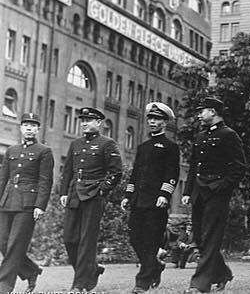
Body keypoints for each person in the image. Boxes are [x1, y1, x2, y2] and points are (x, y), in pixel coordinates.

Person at [182, 97, 246, 294]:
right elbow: (194, 166)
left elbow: (239, 167)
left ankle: (199, 285)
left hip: (217, 195)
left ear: (213, 112)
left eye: (202, 111)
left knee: (210, 238)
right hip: (199, 193)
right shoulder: (201, 136)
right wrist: (187, 191)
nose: (199, 115)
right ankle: (222, 273)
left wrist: (222, 187)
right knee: (200, 239)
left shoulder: (229, 135)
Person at [60, 107, 122, 292]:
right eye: (83, 120)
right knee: (69, 239)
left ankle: (79, 285)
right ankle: (92, 269)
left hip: (94, 196)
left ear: (99, 123)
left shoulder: (107, 144)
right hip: (74, 195)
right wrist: (64, 192)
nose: (85, 123)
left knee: (87, 241)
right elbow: (68, 171)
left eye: (89, 120)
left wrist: (102, 190)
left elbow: (116, 171)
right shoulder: (76, 144)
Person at [121, 102, 180, 294]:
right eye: (151, 118)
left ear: (165, 123)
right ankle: (154, 265)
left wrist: (165, 194)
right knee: (135, 237)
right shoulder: (143, 147)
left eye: (157, 119)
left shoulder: (170, 147)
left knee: (151, 241)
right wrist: (128, 194)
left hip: (156, 202)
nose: (153, 122)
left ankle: (142, 282)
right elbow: (135, 173)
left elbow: (172, 173)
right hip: (139, 201)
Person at [0, 113, 54, 294]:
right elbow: (2, 179)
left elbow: (45, 181)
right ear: (21, 128)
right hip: (7, 201)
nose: (29, 128)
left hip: (28, 205)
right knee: (2, 241)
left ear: (38, 129)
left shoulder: (44, 151)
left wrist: (40, 205)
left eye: (33, 125)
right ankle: (31, 270)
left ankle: (4, 286)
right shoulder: (11, 151)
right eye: (26, 125)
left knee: (15, 244)